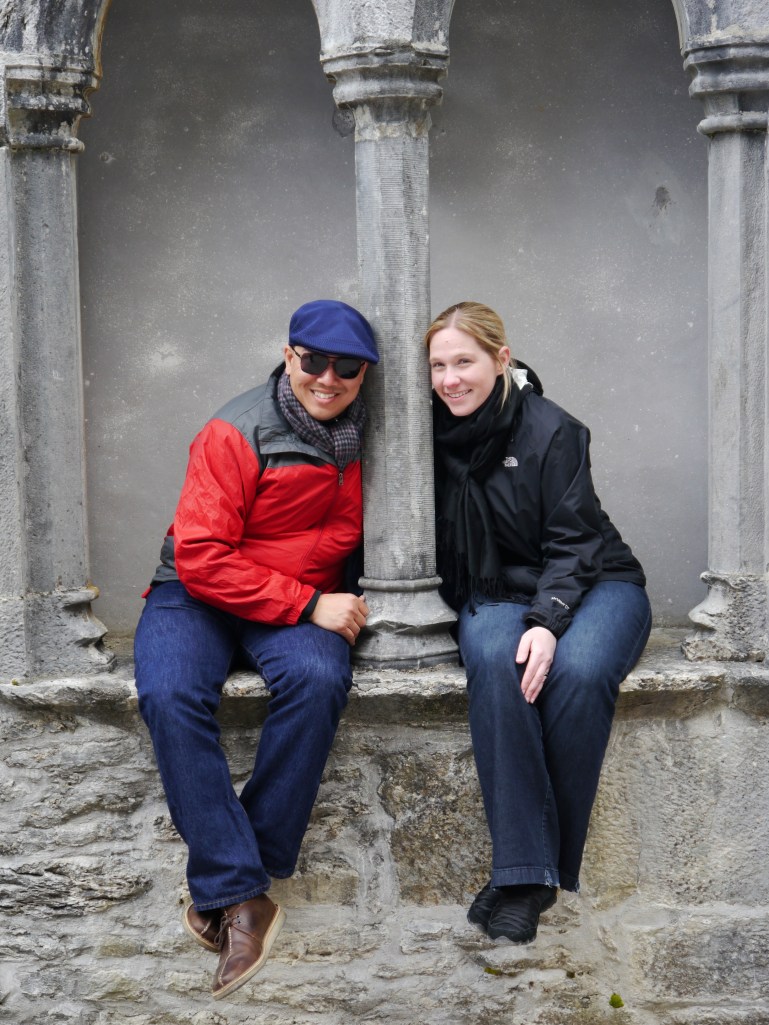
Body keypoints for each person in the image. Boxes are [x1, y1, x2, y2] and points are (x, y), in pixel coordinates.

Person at [134, 299, 378, 998]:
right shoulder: (233, 430)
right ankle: (244, 893)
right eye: (313, 360)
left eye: (346, 367)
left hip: (294, 597)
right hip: (198, 593)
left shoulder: (377, 438)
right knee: (169, 692)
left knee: (319, 674)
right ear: (288, 353)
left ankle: (240, 884)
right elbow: (203, 556)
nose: (326, 379)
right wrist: (308, 603)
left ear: (365, 374)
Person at [425, 301, 651, 944]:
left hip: (596, 581)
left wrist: (549, 622)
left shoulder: (555, 430)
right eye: (438, 366)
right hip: (494, 594)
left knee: (578, 672)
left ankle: (522, 876)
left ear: (501, 359)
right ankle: (531, 874)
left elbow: (576, 541)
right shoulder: (422, 433)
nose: (450, 379)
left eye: (464, 361)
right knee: (502, 665)